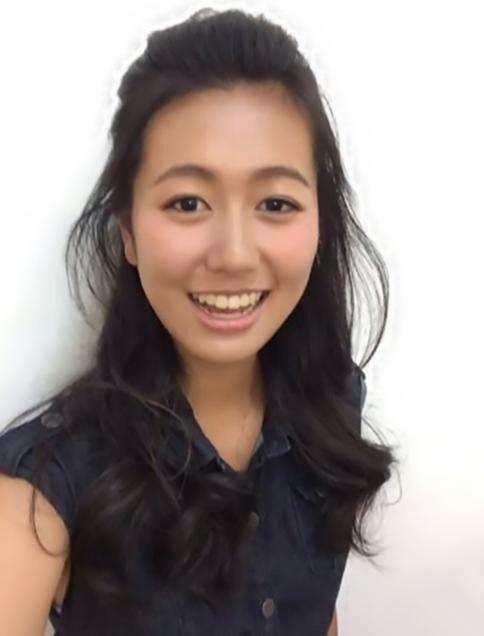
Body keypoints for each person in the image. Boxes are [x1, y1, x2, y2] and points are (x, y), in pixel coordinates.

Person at [0, 8, 397, 635]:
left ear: (319, 224)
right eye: (188, 203)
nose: (234, 255)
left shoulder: (331, 406)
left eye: (276, 203)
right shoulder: (41, 493)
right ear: (128, 231)